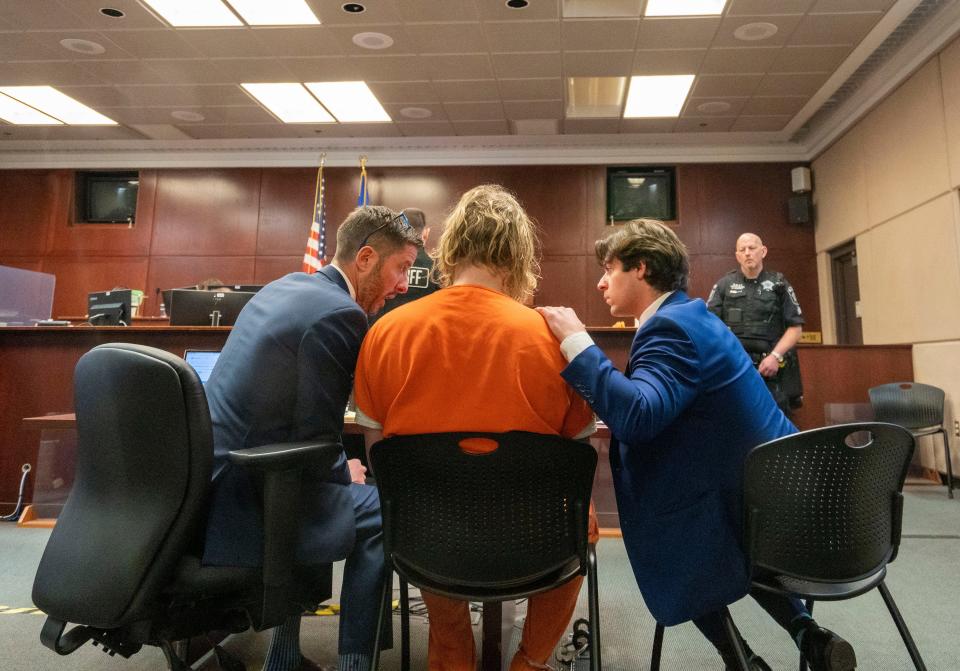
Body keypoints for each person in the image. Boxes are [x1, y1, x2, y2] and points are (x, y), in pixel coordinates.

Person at [536, 219, 854, 671]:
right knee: (688, 517)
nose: (600, 281)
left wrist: (576, 343)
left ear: (641, 268)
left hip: (752, 509)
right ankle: (808, 633)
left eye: (609, 269)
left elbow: (639, 416)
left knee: (664, 525)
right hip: (778, 500)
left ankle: (739, 658)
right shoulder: (691, 316)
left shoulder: (669, 328)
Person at [353, 184, 598, 671]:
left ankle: (451, 642)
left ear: (451, 247)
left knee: (411, 504)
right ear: (519, 254)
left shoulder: (385, 332)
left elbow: (381, 456)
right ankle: (529, 662)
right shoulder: (553, 339)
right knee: (581, 520)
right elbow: (578, 458)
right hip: (536, 543)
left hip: (429, 543)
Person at [202, 205, 422, 671]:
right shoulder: (340, 314)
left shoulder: (286, 286)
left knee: (332, 488)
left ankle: (282, 657)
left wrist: (338, 468)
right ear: (364, 259)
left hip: (217, 480)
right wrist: (346, 469)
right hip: (247, 498)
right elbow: (318, 439)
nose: (404, 285)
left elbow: (300, 423)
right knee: (383, 512)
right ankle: (355, 665)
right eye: (400, 268)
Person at [707, 232, 804, 412]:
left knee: (776, 428)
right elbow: (709, 328)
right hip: (735, 368)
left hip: (772, 368)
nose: (747, 253)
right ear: (737, 255)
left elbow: (795, 328)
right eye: (742, 250)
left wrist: (775, 357)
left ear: (763, 251)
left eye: (752, 248)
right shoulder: (724, 285)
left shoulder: (779, 284)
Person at [368, 207, 438, 324]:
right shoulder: (438, 270)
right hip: (421, 335)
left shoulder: (377, 263)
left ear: (396, 230)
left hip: (384, 331)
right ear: (425, 233)